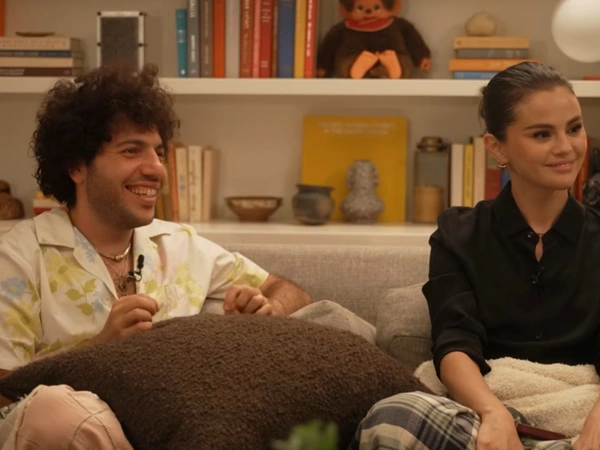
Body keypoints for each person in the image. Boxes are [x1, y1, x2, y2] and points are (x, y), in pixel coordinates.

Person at [0, 63, 311, 449]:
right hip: (66, 432)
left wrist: (268, 310)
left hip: (175, 432)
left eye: (159, 153)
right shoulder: (19, 256)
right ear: (77, 166)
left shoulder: (180, 244)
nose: (156, 169)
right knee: (53, 413)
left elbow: (290, 290)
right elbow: (4, 394)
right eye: (131, 150)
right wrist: (99, 350)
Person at [349, 61, 600, 450]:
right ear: (496, 147)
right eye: (542, 134)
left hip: (582, 421)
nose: (566, 147)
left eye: (574, 128)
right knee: (395, 417)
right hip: (481, 422)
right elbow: (453, 343)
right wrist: (493, 414)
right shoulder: (458, 234)